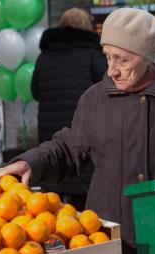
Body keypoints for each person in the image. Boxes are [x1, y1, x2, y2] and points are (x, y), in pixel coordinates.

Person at [0, 8, 155, 254]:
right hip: (109, 239)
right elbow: (68, 148)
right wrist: (30, 161)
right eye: (108, 57)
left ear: (149, 57)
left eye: (122, 59)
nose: (111, 70)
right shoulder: (94, 99)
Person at [31, 8, 108, 211]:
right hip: (82, 129)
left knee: (51, 192)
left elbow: (35, 91)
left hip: (50, 128)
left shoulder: (45, 56)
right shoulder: (93, 54)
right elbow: (107, 89)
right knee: (82, 189)